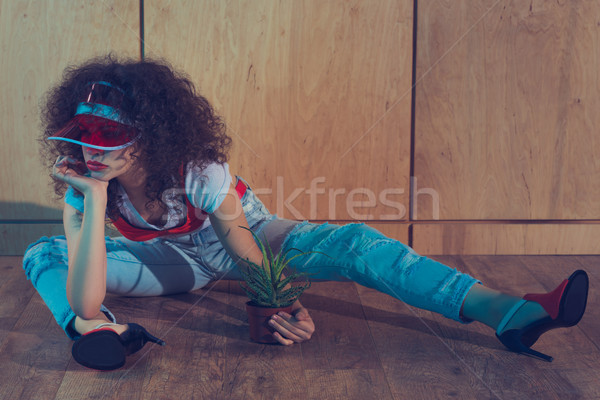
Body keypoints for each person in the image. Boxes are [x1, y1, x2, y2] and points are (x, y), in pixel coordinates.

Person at [23, 55, 589, 371]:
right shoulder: (85, 186)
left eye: (109, 137)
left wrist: (275, 299)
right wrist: (92, 203)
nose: (91, 150)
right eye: (82, 136)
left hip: (239, 240)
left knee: (355, 241)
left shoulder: (198, 169)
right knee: (44, 253)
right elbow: (87, 292)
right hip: (167, 261)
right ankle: (99, 336)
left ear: (147, 136)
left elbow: (242, 247)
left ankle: (510, 313)